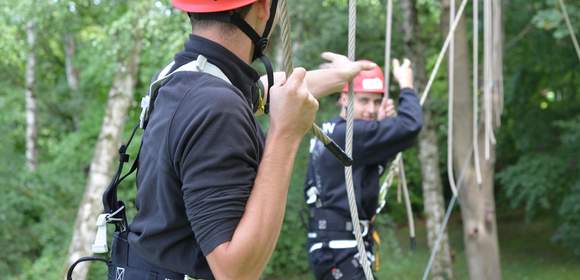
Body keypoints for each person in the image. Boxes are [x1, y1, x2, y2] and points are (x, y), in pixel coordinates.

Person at [114, 1, 376, 279]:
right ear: (264, 7)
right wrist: (285, 135)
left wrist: (342, 75)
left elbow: (267, 89)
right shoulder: (218, 105)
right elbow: (234, 271)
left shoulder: (181, 76)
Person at [304, 58, 423, 279]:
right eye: (364, 101)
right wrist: (407, 86)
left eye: (377, 102)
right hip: (340, 247)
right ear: (343, 98)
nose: (371, 109)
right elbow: (411, 126)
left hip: (335, 244)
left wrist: (384, 127)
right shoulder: (350, 134)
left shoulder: (335, 130)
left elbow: (368, 166)